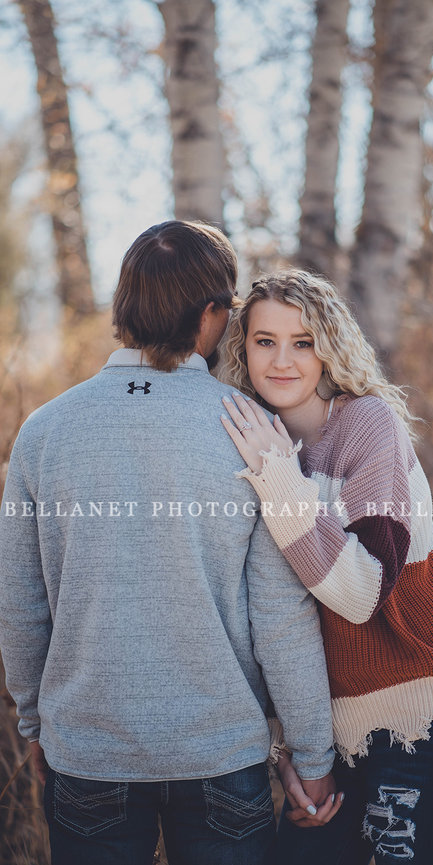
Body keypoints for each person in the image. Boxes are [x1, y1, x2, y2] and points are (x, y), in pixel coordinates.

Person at [0, 224, 338, 865]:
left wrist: (35, 722)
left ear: (123, 307)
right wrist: (312, 754)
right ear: (212, 315)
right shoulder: (249, 431)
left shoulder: (43, 432)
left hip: (88, 751)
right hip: (220, 754)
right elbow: (280, 616)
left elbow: (20, 603)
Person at [219, 269, 433, 865]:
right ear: (243, 348)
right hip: (325, 738)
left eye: (304, 341)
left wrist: (280, 483)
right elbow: (269, 613)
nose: (283, 361)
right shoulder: (251, 440)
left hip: (421, 727)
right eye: (265, 341)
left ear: (331, 348)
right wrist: (294, 747)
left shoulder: (368, 426)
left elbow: (363, 590)